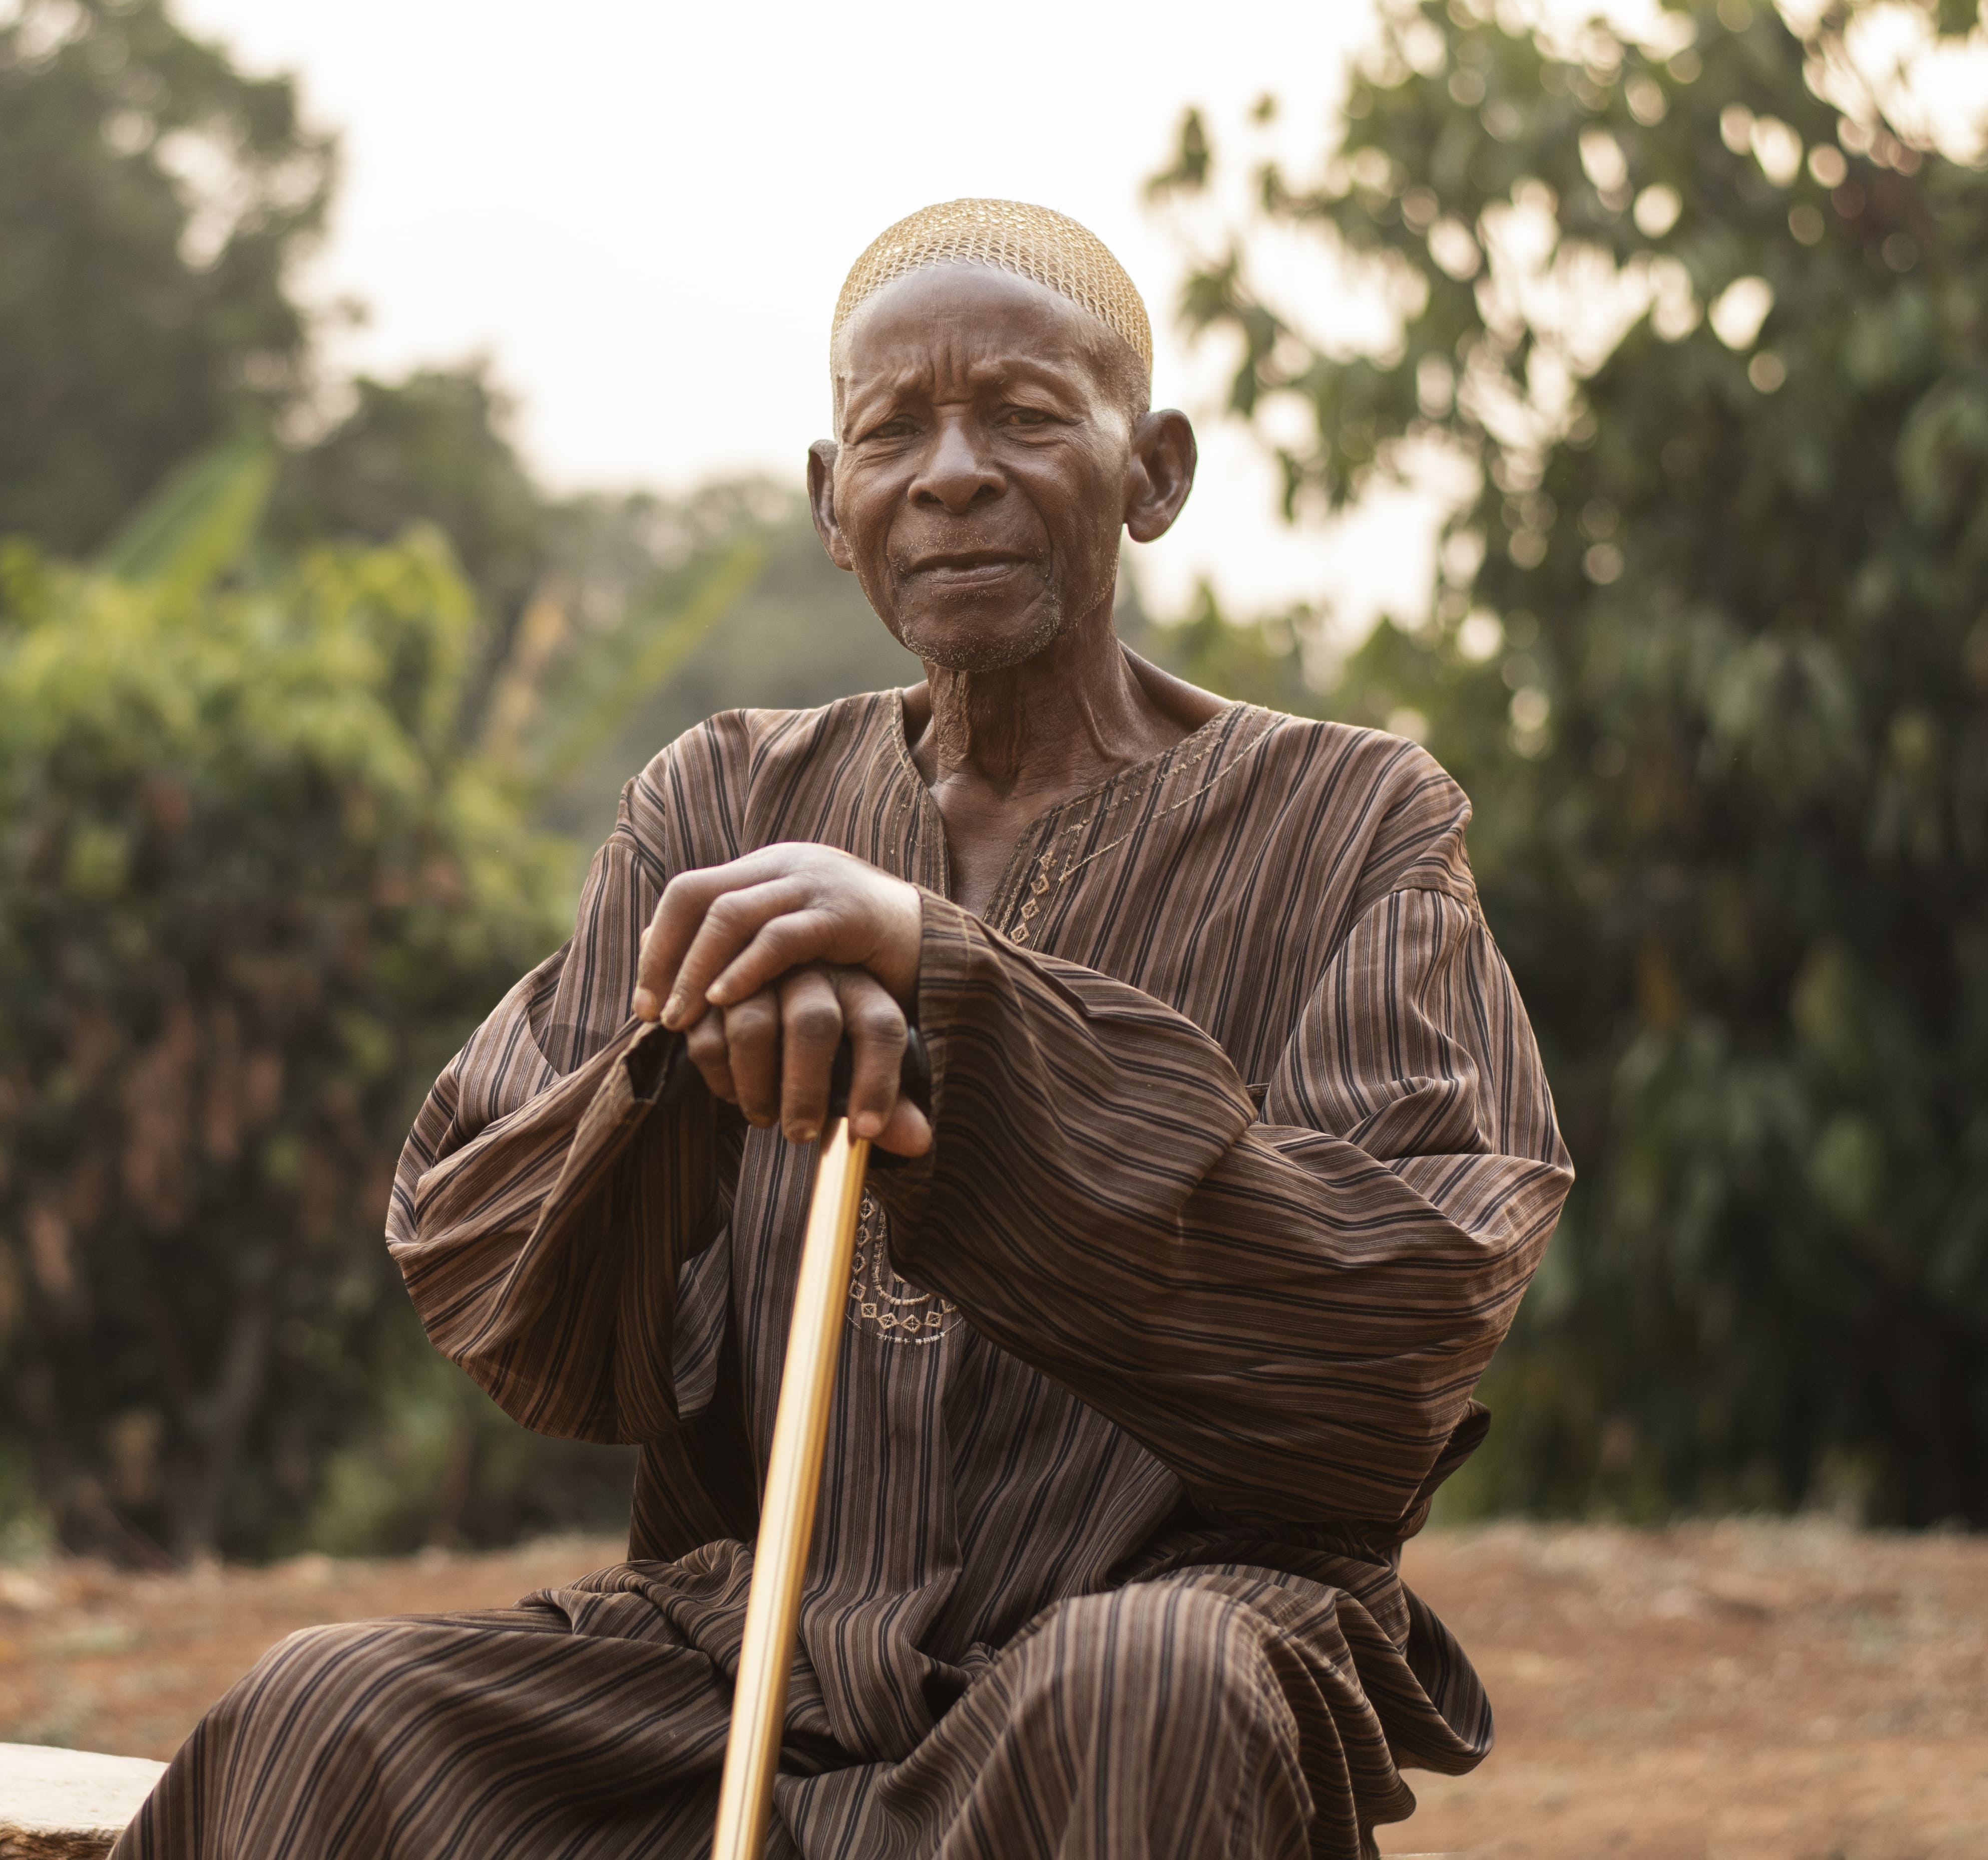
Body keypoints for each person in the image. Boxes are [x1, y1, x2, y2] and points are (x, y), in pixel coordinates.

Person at [112, 197, 1572, 1860]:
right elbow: (490, 1271)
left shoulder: (1354, 821)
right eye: (893, 434)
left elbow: (1403, 1319)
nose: (951, 475)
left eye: (1024, 417)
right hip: (754, 1648)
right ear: (833, 502)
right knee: (329, 1716)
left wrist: (952, 992)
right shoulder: (719, 801)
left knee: (1142, 1692)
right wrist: (686, 1056)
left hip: (1159, 1624)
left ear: (1154, 472)